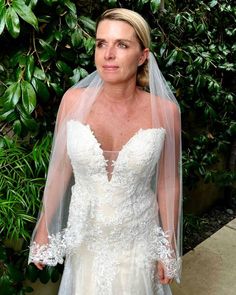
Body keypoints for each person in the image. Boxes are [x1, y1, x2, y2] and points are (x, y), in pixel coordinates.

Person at [29, 8, 182, 295]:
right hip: (86, 241)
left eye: (121, 44)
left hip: (138, 244)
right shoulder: (73, 101)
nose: (108, 54)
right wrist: (43, 229)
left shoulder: (166, 112)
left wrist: (168, 245)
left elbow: (168, 182)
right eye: (101, 43)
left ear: (142, 56)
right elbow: (60, 169)